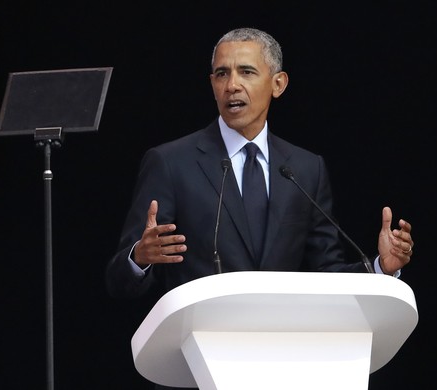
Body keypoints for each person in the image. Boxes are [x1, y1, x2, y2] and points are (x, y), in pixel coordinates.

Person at [106, 27, 414, 390]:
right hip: (199, 373)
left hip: (288, 367)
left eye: (246, 72)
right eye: (222, 73)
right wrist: (139, 256)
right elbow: (118, 281)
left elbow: (326, 271)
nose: (231, 85)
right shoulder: (172, 163)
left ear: (278, 83)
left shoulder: (305, 168)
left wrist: (381, 268)